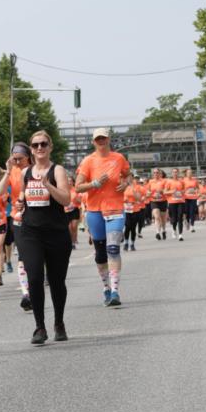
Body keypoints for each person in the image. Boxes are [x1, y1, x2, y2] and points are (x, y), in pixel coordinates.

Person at [15, 130, 72, 344]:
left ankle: (59, 322)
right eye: (36, 145)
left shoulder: (57, 170)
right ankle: (40, 327)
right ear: (31, 149)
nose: (40, 148)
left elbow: (66, 200)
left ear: (50, 147)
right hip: (31, 232)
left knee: (57, 282)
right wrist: (21, 202)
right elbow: (23, 194)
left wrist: (48, 185)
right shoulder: (26, 172)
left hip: (56, 232)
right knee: (35, 278)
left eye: (43, 144)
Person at [76, 128, 131, 307]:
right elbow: (78, 187)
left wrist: (126, 183)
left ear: (108, 139)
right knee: (100, 254)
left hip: (115, 208)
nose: (101, 141)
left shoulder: (119, 158)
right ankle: (106, 287)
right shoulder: (88, 161)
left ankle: (115, 291)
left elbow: (127, 175)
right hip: (94, 210)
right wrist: (95, 183)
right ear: (93, 142)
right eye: (98, 139)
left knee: (113, 248)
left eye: (104, 138)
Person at [0, 143, 33, 311]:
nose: (17, 161)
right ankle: (26, 293)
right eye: (14, 158)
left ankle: (36, 282)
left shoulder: (36, 169)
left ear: (28, 157)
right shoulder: (13, 171)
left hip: (38, 217)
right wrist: (8, 170)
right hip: (18, 217)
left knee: (36, 255)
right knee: (23, 255)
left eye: (20, 158)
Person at [123, 179, 143, 251]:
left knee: (133, 228)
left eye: (130, 178)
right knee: (127, 226)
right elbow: (120, 198)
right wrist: (124, 200)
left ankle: (132, 244)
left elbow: (139, 198)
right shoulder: (123, 187)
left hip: (135, 209)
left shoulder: (137, 187)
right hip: (127, 210)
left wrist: (133, 192)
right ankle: (126, 243)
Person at [166, 168, 186, 241]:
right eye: (174, 172)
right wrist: (172, 192)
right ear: (172, 174)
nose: (175, 173)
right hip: (172, 202)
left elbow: (184, 190)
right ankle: (174, 230)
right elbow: (165, 192)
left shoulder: (181, 181)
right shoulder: (169, 182)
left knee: (180, 217)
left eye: (176, 172)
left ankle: (180, 235)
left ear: (178, 173)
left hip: (180, 201)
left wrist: (182, 192)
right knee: (174, 219)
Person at [149, 168, 168, 240]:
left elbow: (167, 190)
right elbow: (148, 191)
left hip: (163, 201)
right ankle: (157, 232)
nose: (155, 174)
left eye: (157, 172)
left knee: (163, 218)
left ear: (160, 174)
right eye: (154, 173)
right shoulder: (150, 182)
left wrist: (162, 191)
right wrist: (150, 194)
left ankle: (163, 231)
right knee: (157, 216)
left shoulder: (164, 181)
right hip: (154, 201)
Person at [183, 168, 199, 232]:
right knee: (187, 212)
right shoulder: (183, 180)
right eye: (189, 173)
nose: (190, 174)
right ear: (186, 174)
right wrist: (185, 191)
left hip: (193, 197)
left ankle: (192, 226)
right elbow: (181, 188)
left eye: (191, 173)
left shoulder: (195, 180)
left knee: (192, 212)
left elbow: (197, 188)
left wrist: (196, 191)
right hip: (186, 198)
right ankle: (187, 221)